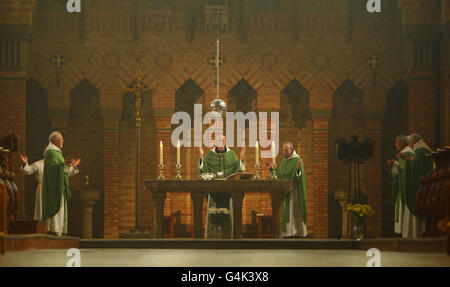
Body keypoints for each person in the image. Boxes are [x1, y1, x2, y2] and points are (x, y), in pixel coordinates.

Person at [198, 134, 246, 238]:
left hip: (228, 191)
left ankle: (228, 235)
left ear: (225, 142)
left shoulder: (232, 154)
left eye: (222, 141)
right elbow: (204, 171)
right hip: (214, 191)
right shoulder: (210, 155)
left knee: (228, 212)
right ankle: (213, 236)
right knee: (213, 211)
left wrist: (241, 158)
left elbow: (239, 171)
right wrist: (201, 156)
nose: (220, 143)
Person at [21, 146, 79, 221]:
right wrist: (25, 164)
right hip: (43, 190)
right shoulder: (39, 163)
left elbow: (67, 173)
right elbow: (28, 171)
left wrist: (73, 167)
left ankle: (54, 230)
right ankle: (42, 229)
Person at [42, 131, 81, 236]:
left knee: (61, 208)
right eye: (61, 139)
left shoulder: (57, 152)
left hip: (60, 186)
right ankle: (54, 231)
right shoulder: (51, 152)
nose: (63, 141)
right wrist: (64, 164)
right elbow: (52, 170)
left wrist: (71, 166)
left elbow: (62, 171)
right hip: (54, 187)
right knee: (57, 207)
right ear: (56, 140)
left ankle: (58, 231)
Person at [266, 142, 307, 238]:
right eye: (283, 150)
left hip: (293, 191)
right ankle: (288, 233)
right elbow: (280, 176)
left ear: (291, 150)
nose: (284, 152)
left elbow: (299, 177)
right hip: (285, 191)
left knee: (293, 211)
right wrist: (272, 169)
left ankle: (296, 232)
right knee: (287, 212)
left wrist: (298, 170)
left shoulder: (297, 159)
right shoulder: (284, 161)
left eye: (286, 150)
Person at [400, 133, 433, 238]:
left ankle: (415, 234)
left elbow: (416, 170)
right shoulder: (423, 150)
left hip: (418, 189)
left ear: (414, 141)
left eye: (409, 142)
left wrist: (406, 159)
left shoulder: (420, 152)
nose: (409, 144)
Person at [386, 135, 413, 236]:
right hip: (402, 187)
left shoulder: (407, 153)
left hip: (406, 188)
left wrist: (396, 164)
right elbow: (402, 168)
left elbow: (408, 169)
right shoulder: (404, 153)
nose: (395, 144)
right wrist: (395, 164)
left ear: (402, 142)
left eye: (396, 142)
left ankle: (406, 232)